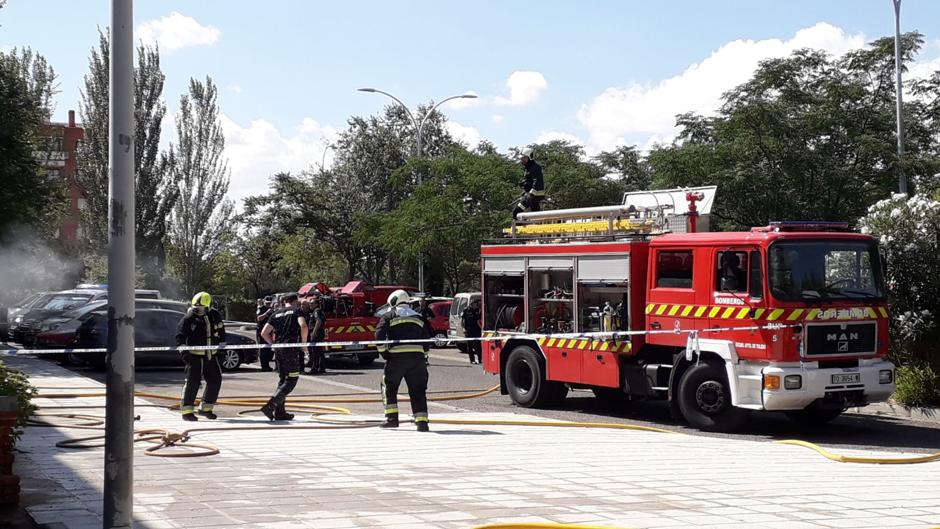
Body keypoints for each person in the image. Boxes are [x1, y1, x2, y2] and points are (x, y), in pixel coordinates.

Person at [375, 289, 431, 432]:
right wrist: (423, 356)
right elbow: (426, 340)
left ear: (393, 302)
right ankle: (422, 423)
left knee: (389, 386)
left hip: (396, 359)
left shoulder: (389, 316)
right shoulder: (419, 317)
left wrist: (384, 353)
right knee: (418, 390)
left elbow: (378, 335)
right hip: (417, 360)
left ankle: (392, 419)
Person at [176, 291, 226, 422]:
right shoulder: (188, 318)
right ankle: (187, 411)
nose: (198, 310)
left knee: (215, 381)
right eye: (196, 307)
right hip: (194, 357)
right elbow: (180, 337)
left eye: (201, 308)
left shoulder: (215, 315)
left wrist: (221, 350)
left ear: (208, 306)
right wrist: (184, 353)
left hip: (211, 356)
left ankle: (206, 408)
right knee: (192, 383)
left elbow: (221, 332)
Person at [259, 293, 309, 421]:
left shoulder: (275, 314)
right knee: (291, 380)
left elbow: (264, 332)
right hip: (291, 349)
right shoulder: (296, 311)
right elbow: (303, 326)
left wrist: (273, 345)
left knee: (283, 380)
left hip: (279, 350)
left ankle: (280, 413)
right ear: (295, 301)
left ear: (284, 301)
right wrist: (304, 344)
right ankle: (270, 406)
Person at [512, 147, 545, 220]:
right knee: (536, 216)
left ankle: (518, 230)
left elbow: (537, 183)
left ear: (529, 157)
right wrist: (524, 184)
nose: (522, 160)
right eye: (521, 158)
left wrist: (530, 194)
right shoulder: (528, 167)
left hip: (533, 196)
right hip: (531, 196)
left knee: (516, 212)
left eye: (524, 158)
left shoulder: (535, 167)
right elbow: (530, 181)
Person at [306, 295, 327, 374]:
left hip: (316, 333)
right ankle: (322, 367)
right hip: (319, 333)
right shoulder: (318, 311)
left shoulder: (316, 311)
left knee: (315, 352)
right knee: (320, 351)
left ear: (316, 304)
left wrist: (314, 332)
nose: (310, 305)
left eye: (312, 303)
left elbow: (318, 321)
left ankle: (314, 368)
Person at [256, 296, 275, 371]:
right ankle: (264, 366)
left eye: (269, 303)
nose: (268, 304)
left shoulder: (272, 310)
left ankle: (267, 365)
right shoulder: (261, 309)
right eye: (267, 303)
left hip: (269, 332)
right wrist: (267, 313)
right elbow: (259, 318)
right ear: (264, 302)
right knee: (263, 349)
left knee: (269, 349)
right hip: (261, 331)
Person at [461, 299, 482, 364]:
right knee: (470, 346)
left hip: (477, 330)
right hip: (469, 330)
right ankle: (472, 360)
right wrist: (463, 329)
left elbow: (478, 321)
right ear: (471, 304)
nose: (476, 305)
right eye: (475, 304)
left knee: (478, 346)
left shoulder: (478, 310)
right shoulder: (466, 310)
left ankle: (480, 359)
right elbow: (463, 321)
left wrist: (482, 329)